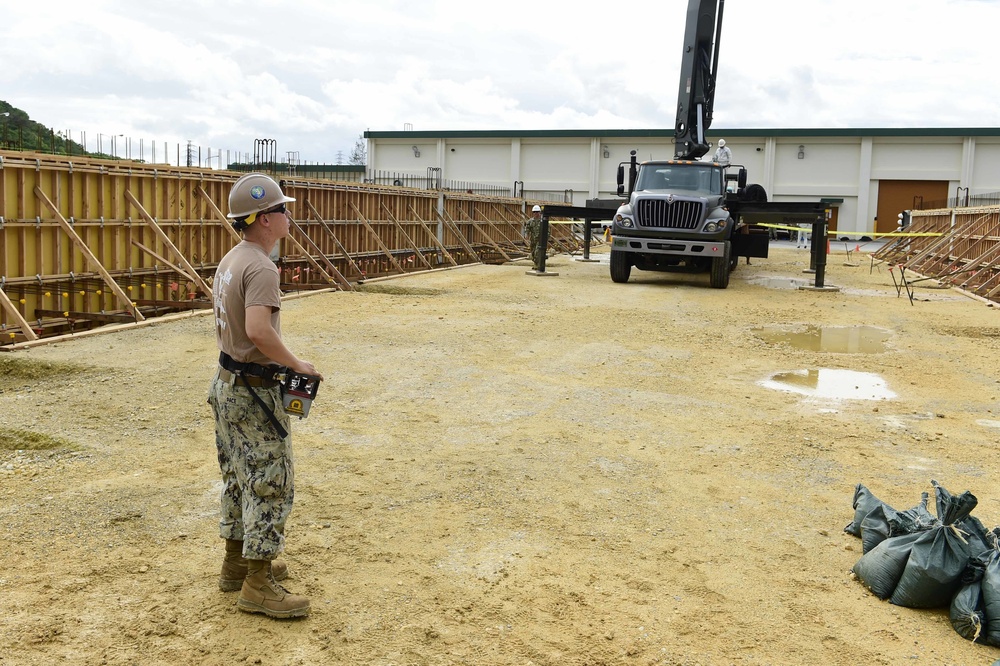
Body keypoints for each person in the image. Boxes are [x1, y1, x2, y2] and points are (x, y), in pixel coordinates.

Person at [208, 172, 323, 619]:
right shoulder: (261, 267)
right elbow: (258, 330)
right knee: (271, 481)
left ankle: (237, 562)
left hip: (227, 383)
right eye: (281, 210)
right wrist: (297, 365)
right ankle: (258, 583)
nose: (287, 216)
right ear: (262, 220)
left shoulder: (232, 259)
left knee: (238, 474)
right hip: (253, 389)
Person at [524, 204, 543, 271]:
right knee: (532, 253)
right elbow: (527, 229)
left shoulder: (542, 221)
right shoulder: (530, 221)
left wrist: (546, 238)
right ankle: (536, 263)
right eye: (534, 212)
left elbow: (547, 231)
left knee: (537, 252)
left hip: (540, 240)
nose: (536, 213)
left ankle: (537, 265)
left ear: (539, 212)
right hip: (532, 239)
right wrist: (526, 234)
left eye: (537, 212)